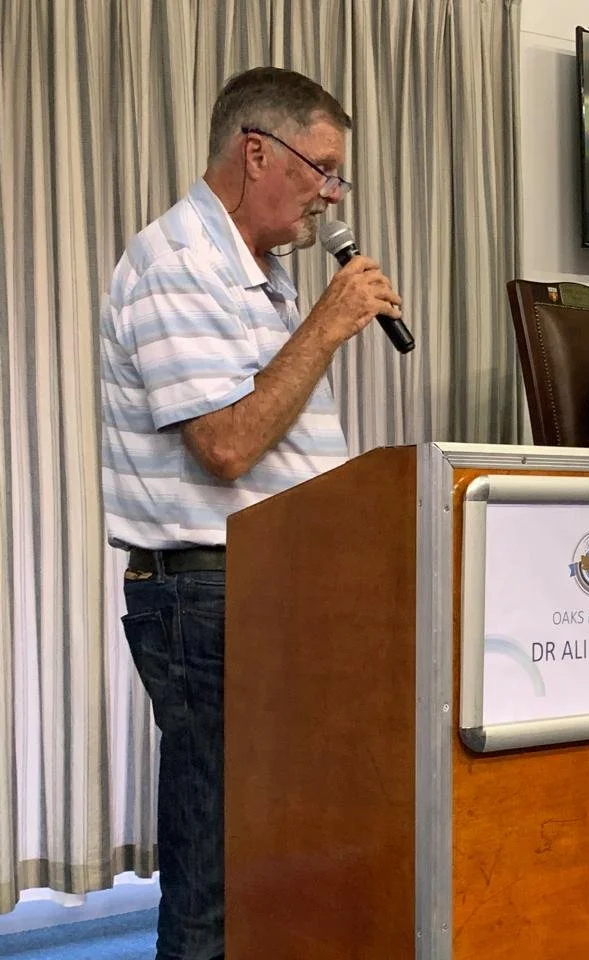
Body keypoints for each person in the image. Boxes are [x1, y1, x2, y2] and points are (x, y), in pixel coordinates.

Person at [100, 67, 402, 960]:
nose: (331, 195)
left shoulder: (260, 274)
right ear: (256, 151)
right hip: (207, 602)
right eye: (323, 168)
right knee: (219, 866)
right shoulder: (174, 262)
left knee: (283, 854)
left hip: (278, 587)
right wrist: (328, 322)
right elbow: (227, 445)